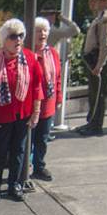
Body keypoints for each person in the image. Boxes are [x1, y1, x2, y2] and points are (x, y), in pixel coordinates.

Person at [0, 19, 43, 203]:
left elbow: (38, 86)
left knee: (19, 151)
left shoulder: (30, 58)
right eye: (13, 36)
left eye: (21, 35)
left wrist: (36, 112)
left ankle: (15, 185)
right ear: (4, 40)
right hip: (1, 117)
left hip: (23, 115)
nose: (18, 40)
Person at [75, 0, 107, 136]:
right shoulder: (102, 15)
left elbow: (106, 44)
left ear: (106, 0)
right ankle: (92, 122)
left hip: (98, 60)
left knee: (98, 94)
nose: (96, 2)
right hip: (94, 59)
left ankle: (96, 126)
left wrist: (99, 65)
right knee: (94, 93)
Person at [31, 17, 63, 181]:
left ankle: (39, 167)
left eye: (44, 30)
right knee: (27, 141)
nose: (42, 34)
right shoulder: (28, 53)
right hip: (31, 105)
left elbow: (57, 78)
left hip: (47, 104)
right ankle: (22, 171)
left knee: (42, 139)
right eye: (38, 30)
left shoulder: (53, 53)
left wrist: (58, 98)